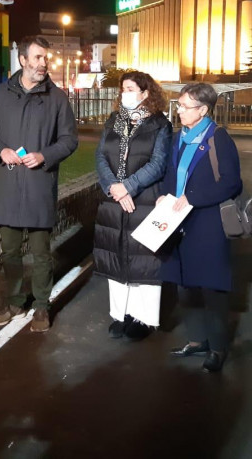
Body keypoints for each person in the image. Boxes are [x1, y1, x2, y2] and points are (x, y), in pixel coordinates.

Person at [0, 35, 79, 333]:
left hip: (38, 184)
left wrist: (44, 155)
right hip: (8, 185)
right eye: (37, 58)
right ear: (22, 60)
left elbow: (69, 140)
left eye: (45, 58)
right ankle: (13, 302)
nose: (43, 63)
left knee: (40, 252)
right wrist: (1, 150)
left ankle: (41, 307)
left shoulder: (57, 98)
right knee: (9, 251)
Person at [160, 82, 243, 373]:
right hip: (178, 221)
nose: (179, 110)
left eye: (185, 106)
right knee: (185, 284)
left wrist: (192, 198)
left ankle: (218, 347)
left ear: (203, 110)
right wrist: (165, 194)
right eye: (179, 105)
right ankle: (196, 340)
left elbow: (232, 182)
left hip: (207, 224)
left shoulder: (218, 138)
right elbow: (172, 172)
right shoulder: (178, 137)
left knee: (211, 288)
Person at [93, 71, 172, 341]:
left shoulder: (160, 124)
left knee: (144, 260)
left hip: (145, 199)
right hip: (114, 200)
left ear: (145, 93)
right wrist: (114, 186)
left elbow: (158, 163)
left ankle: (144, 318)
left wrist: (129, 186)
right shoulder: (114, 120)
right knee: (117, 256)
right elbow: (101, 155)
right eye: (123, 88)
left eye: (130, 88)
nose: (124, 93)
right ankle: (120, 314)